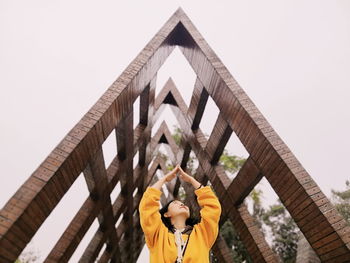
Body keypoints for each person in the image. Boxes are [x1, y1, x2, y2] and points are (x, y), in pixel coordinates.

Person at [139, 164, 222, 263]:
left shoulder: (203, 233)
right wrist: (164, 179)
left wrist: (192, 180)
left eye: (183, 203)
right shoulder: (157, 235)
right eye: (175, 203)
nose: (182, 204)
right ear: (166, 214)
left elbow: (213, 208)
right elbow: (147, 206)